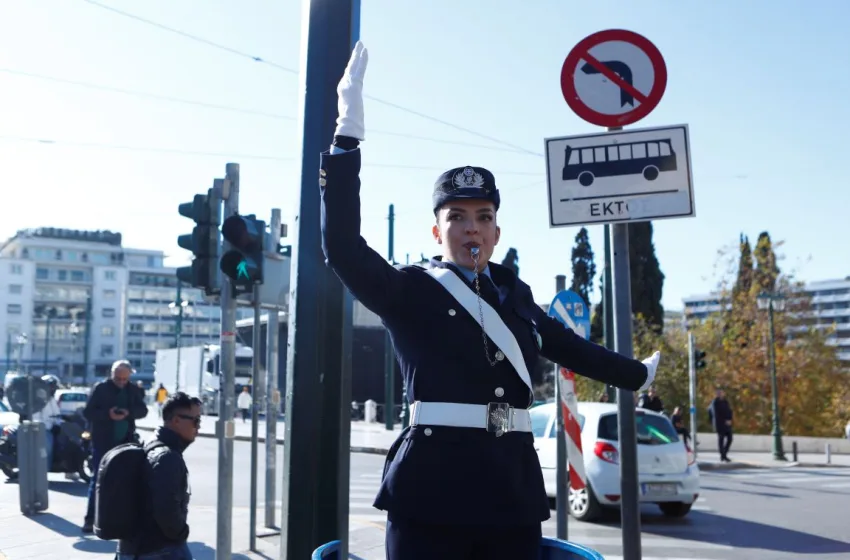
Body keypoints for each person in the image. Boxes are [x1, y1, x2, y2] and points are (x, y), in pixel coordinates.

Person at [319, 42, 662, 560]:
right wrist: (348, 137)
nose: (470, 227)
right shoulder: (410, 290)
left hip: (510, 490)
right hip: (430, 491)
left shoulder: (513, 293)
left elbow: (565, 345)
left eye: (481, 216)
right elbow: (342, 246)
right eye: (456, 217)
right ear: (437, 232)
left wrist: (637, 375)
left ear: (496, 231)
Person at [116, 392, 201, 560]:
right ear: (176, 420)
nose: (198, 427)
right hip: (158, 550)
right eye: (196, 420)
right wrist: (182, 534)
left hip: (134, 547)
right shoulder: (167, 457)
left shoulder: (151, 443)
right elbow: (166, 510)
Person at [81, 360, 148, 533]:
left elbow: (143, 411)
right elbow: (88, 412)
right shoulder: (101, 389)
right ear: (112, 375)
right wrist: (107, 415)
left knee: (127, 481)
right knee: (98, 480)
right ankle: (90, 519)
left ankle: (123, 520)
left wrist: (128, 413)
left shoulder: (132, 390)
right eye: (118, 378)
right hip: (103, 441)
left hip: (125, 441)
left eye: (124, 379)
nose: (121, 382)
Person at [32, 374, 61, 471]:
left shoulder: (51, 399)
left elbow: (56, 414)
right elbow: (37, 417)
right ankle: (43, 471)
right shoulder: (38, 398)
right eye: (51, 386)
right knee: (47, 450)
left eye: (54, 387)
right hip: (41, 429)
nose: (53, 389)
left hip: (50, 428)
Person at [708, 388, 733, 462]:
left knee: (730, 439)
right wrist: (724, 421)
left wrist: (730, 419)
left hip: (727, 424)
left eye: (721, 393)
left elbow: (729, 411)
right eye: (718, 393)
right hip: (719, 424)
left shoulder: (725, 402)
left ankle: (724, 453)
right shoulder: (715, 402)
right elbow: (716, 415)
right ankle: (723, 456)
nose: (720, 394)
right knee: (721, 440)